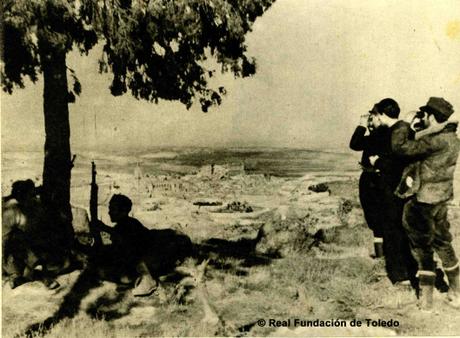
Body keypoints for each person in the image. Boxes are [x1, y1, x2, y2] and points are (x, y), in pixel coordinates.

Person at [391, 97, 460, 310]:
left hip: (422, 200)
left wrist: (404, 123)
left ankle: (426, 302)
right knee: (442, 241)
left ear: (431, 116)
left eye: (425, 115)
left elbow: (400, 147)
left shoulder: (435, 141)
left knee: (422, 248)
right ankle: (457, 293)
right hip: (440, 197)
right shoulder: (451, 138)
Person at [367, 98, 419, 292]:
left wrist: (377, 162)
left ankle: (400, 276)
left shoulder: (396, 132)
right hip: (399, 189)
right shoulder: (401, 129)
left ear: (381, 114)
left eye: (377, 114)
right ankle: (406, 272)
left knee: (392, 230)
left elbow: (396, 162)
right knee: (400, 229)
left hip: (391, 189)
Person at [92, 194, 159, 296]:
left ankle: (147, 280)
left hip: (148, 260)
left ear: (123, 211)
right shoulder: (121, 226)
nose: (109, 212)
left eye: (113, 209)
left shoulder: (131, 225)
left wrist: (104, 228)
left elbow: (128, 245)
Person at [350, 110, 389, 258]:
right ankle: (383, 255)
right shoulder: (388, 135)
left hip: (372, 180)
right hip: (379, 179)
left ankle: (381, 256)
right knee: (380, 220)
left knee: (375, 220)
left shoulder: (376, 137)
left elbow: (354, 144)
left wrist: (362, 126)